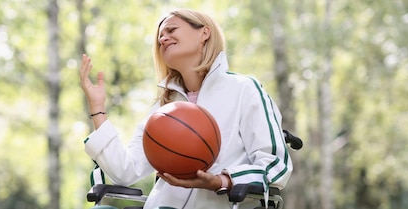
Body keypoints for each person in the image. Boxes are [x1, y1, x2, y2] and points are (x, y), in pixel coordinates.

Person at [79, 8, 292, 209]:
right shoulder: (164, 107)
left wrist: (222, 180)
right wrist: (98, 108)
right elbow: (125, 170)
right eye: (160, 37)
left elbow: (275, 165)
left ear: (204, 33)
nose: (162, 39)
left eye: (171, 30)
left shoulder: (244, 89)